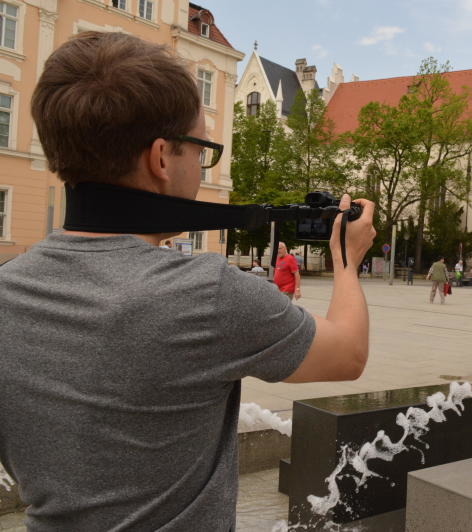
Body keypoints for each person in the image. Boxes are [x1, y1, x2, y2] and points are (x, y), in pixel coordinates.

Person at [0, 32, 376, 530]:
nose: (201, 166)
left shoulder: (7, 289)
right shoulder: (203, 292)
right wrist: (347, 259)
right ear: (161, 157)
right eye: (201, 149)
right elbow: (348, 354)